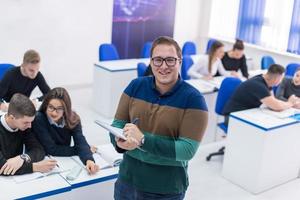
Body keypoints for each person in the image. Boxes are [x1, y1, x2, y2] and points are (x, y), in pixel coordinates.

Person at [111, 36, 208, 200]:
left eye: (170, 60)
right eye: (158, 60)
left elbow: (187, 150)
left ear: (180, 62)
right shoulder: (135, 86)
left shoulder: (194, 99)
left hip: (165, 190)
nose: (163, 66)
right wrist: (119, 142)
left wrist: (142, 140)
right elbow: (117, 125)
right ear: (151, 62)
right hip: (127, 181)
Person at [32, 87, 99, 175]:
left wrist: (89, 160)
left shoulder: (73, 118)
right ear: (45, 105)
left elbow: (80, 140)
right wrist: (83, 149)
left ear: (66, 109)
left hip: (65, 162)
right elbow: (51, 149)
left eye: (59, 109)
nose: (54, 113)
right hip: (45, 162)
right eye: (51, 107)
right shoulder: (39, 118)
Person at [0, 93, 57, 175]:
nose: (30, 126)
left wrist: (22, 158)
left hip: (17, 178)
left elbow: (39, 150)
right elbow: (2, 168)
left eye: (31, 122)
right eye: (26, 122)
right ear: (12, 117)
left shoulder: (24, 127)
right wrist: (35, 167)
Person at [223, 64, 297, 125]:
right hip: (232, 118)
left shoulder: (265, 80)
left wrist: (286, 104)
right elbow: (276, 106)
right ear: (277, 78)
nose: (281, 81)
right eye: (281, 78)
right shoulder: (259, 85)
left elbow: (273, 101)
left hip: (243, 114)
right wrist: (290, 103)